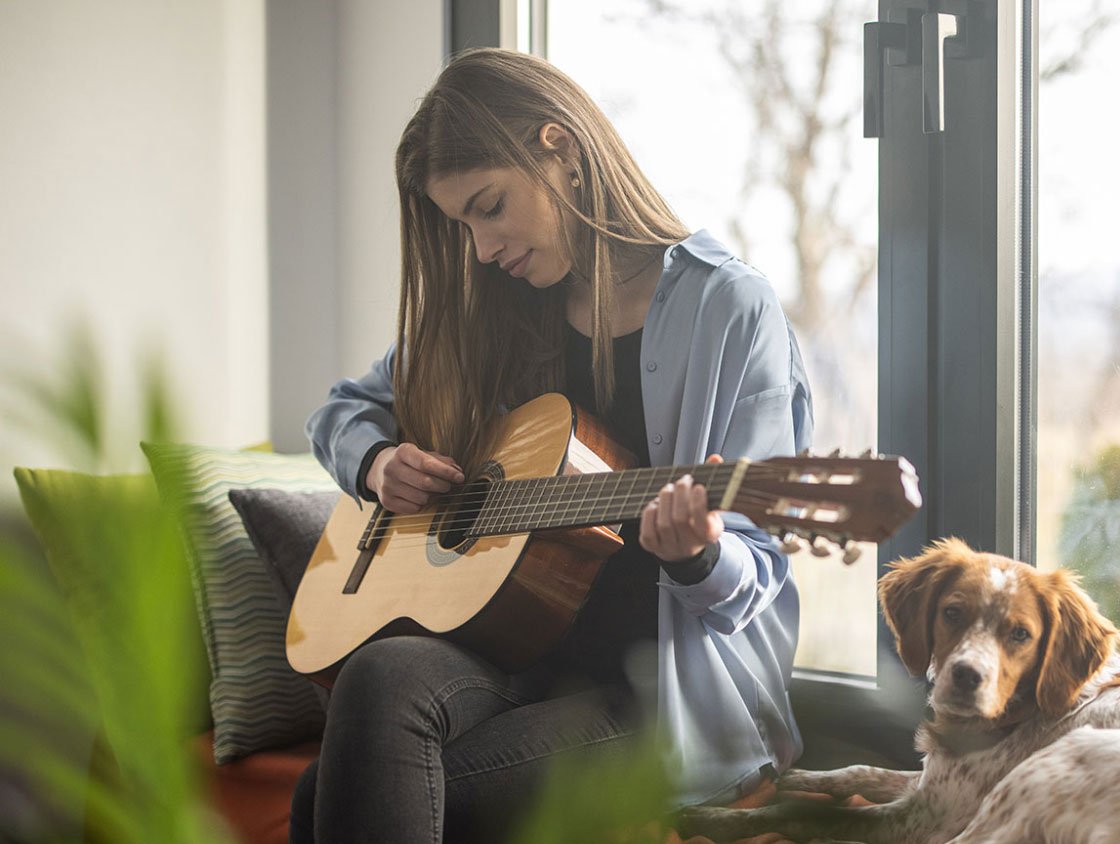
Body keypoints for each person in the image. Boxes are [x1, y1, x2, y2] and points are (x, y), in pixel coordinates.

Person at [290, 47, 813, 843]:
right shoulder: (498, 309)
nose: (480, 249)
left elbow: (760, 571)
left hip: (653, 696)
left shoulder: (729, 308)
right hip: (516, 655)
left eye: (489, 207)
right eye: (461, 225)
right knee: (380, 670)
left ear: (559, 148)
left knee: (322, 797)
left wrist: (700, 554)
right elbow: (343, 408)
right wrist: (375, 461)